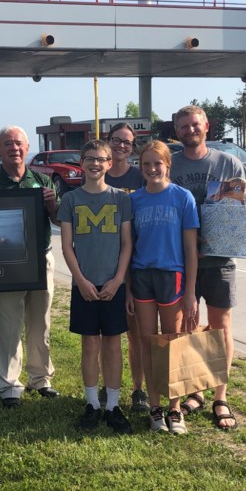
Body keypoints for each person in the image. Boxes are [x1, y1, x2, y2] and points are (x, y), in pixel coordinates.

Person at [169, 104, 246, 430]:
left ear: (207, 126)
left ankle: (220, 396)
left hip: (219, 260)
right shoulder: (168, 165)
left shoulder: (228, 162)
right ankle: (195, 390)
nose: (190, 130)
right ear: (177, 131)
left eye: (195, 124)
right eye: (184, 126)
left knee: (221, 327)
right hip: (178, 261)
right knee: (188, 328)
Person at [58, 139, 133, 434]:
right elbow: (66, 246)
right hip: (85, 283)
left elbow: (127, 244)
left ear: (109, 163)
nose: (95, 164)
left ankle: (113, 405)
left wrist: (118, 280)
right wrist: (80, 280)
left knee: (113, 345)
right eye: (89, 158)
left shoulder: (121, 199)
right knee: (90, 344)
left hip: (113, 283)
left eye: (101, 159)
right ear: (81, 163)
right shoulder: (71, 200)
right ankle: (91, 403)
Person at [0, 125, 60, 408]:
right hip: (6, 264)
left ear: (27, 148)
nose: (14, 148)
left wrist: (52, 207)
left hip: (41, 259)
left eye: (18, 143)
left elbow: (61, 221)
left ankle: (41, 378)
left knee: (41, 323)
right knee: (7, 325)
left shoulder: (43, 181)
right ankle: (8, 385)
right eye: (7, 143)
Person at [128, 140, 199, 434]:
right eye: (146, 164)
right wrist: (129, 288)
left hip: (173, 276)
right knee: (146, 340)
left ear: (168, 165)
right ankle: (155, 406)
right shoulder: (134, 200)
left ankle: (174, 408)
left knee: (173, 342)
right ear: (140, 167)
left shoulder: (183, 198)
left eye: (157, 163)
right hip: (142, 275)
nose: (152, 169)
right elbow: (128, 246)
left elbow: (190, 248)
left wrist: (191, 292)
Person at [104, 122, 149, 413]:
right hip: (103, 264)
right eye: (117, 140)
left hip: (135, 264)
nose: (122, 146)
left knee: (136, 333)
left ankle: (138, 389)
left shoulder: (140, 176)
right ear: (107, 142)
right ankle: (109, 388)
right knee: (107, 335)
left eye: (128, 143)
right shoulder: (97, 172)